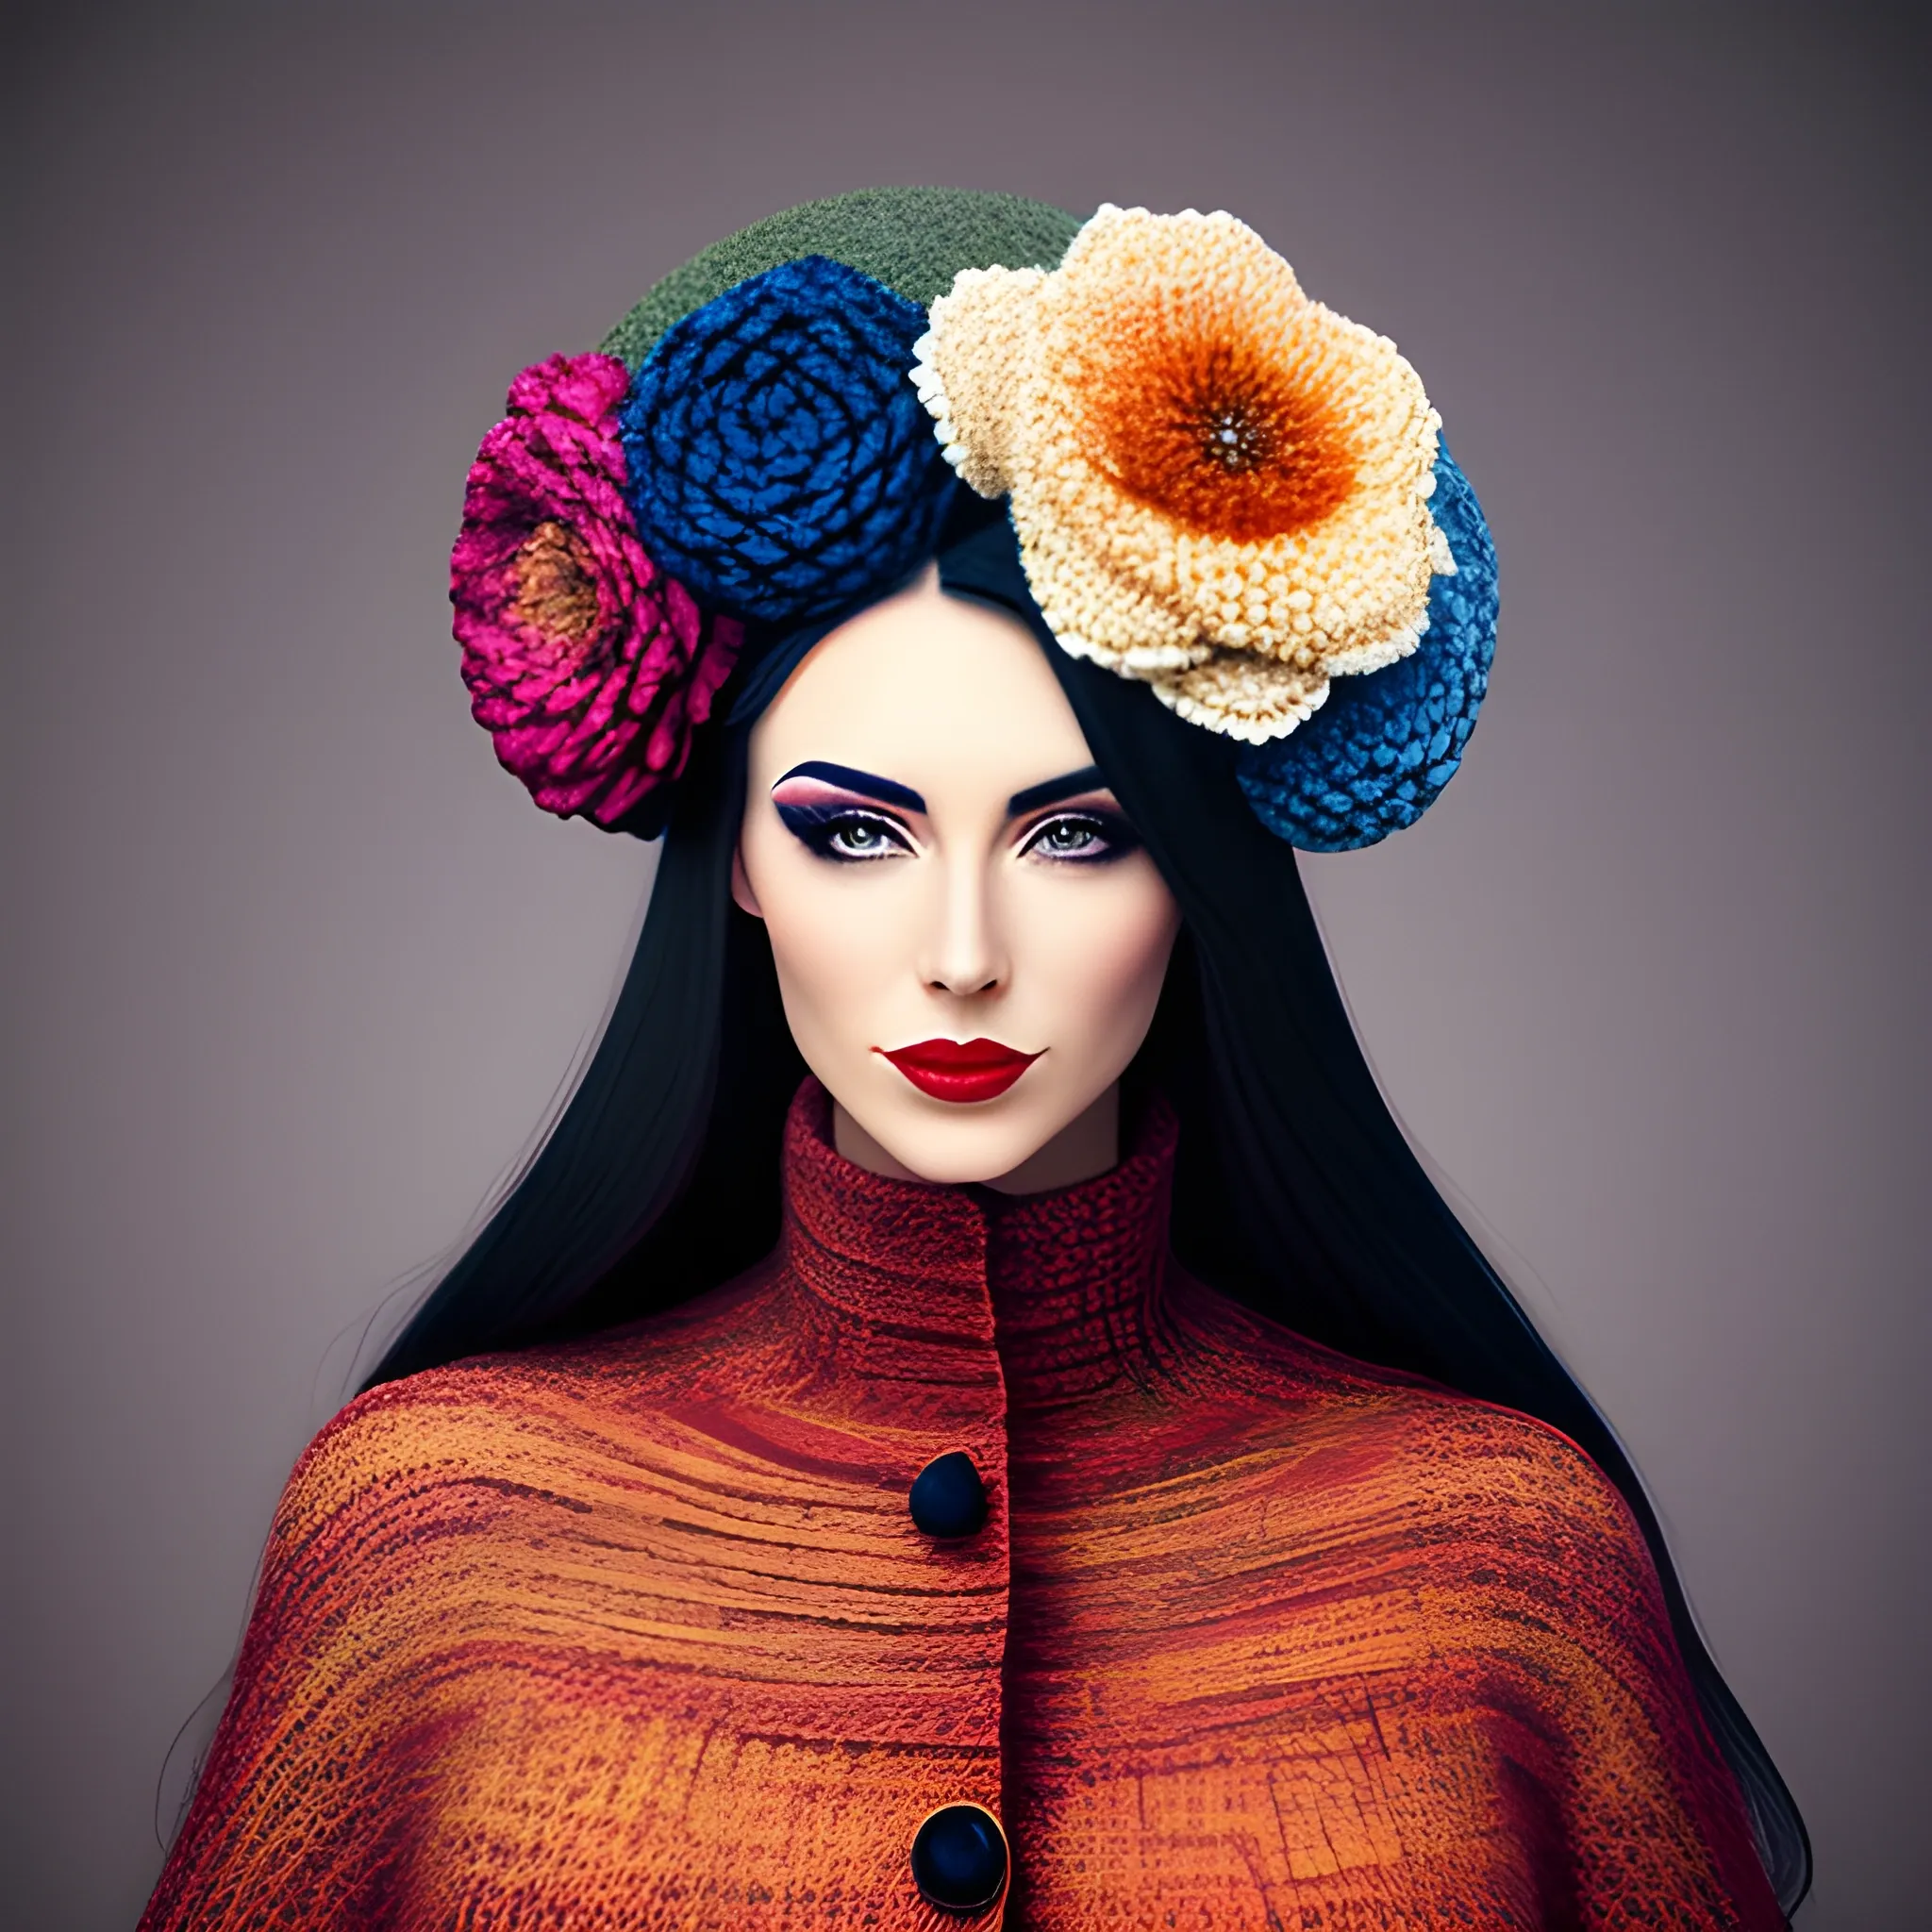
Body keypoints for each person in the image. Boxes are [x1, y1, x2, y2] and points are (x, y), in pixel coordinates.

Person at [141, 188, 1807, 1929]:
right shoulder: (427, 1537)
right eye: (857, 833)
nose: (961, 952)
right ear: (735, 861)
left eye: (1073, 837)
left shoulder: (1502, 1564)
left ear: (1198, 877)